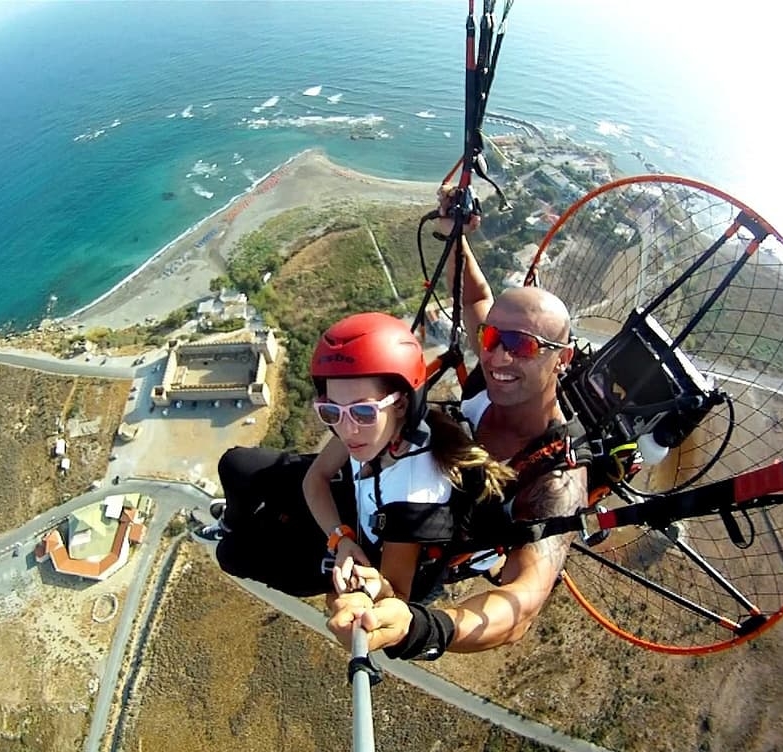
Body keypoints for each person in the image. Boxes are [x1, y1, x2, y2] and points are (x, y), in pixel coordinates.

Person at [325, 194, 590, 660]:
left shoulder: (555, 475)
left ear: (561, 358)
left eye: (522, 346)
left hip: (412, 544)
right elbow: (476, 300)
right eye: (492, 339)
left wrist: (426, 629)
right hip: (387, 481)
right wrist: (457, 237)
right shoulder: (490, 385)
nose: (497, 357)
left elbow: (523, 600)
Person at [194, 311, 513, 601]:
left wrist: (346, 553)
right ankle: (231, 522)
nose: (347, 430)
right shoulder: (375, 429)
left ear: (401, 404)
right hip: (352, 509)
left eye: (363, 411)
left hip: (367, 545)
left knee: (231, 554)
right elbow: (315, 478)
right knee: (235, 465)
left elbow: (394, 597)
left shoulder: (415, 496)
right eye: (331, 411)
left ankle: (239, 531)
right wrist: (339, 535)